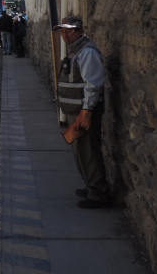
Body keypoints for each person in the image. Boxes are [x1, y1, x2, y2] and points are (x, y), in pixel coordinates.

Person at [53, 16, 110, 209]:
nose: (64, 35)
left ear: (79, 31)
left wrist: (86, 111)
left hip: (83, 113)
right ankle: (90, 185)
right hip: (75, 111)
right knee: (80, 152)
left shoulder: (87, 52)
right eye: (62, 31)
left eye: (69, 31)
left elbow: (93, 84)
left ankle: (98, 193)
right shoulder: (74, 51)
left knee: (88, 153)